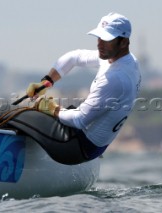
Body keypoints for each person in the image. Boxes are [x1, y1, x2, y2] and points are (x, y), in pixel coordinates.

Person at [26, 12, 141, 162]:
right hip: (89, 141)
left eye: (106, 39)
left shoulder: (115, 78)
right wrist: (46, 82)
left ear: (124, 42)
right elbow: (76, 57)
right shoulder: (125, 59)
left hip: (79, 148)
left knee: (28, 115)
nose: (99, 44)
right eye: (99, 37)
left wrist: (52, 109)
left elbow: (79, 120)